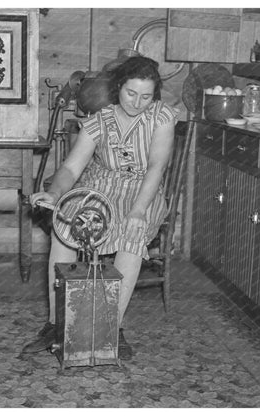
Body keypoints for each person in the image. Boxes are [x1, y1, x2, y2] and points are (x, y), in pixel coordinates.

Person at [23, 56, 177, 360]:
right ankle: (56, 325)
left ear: (154, 95)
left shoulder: (162, 117)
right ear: (118, 87)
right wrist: (54, 194)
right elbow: (70, 168)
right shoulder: (98, 121)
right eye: (131, 93)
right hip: (101, 186)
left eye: (146, 96)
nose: (137, 102)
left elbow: (157, 167)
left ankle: (111, 328)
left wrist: (137, 211)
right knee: (64, 228)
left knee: (132, 234)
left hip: (144, 189)